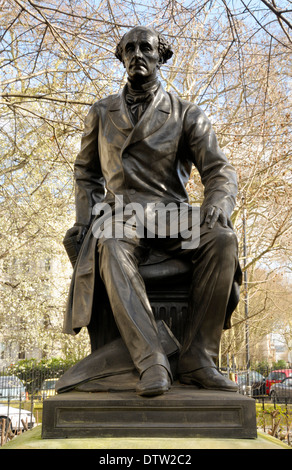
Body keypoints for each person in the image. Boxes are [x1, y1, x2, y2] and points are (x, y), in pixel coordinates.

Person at [63, 26, 241, 397]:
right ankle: (151, 360)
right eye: (129, 49)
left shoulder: (187, 113)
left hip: (172, 215)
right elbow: (85, 172)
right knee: (109, 241)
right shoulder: (102, 112)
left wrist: (217, 205)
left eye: (146, 47)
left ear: (161, 55)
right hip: (122, 212)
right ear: (122, 58)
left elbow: (218, 169)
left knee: (223, 239)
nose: (137, 54)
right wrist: (85, 220)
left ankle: (199, 358)